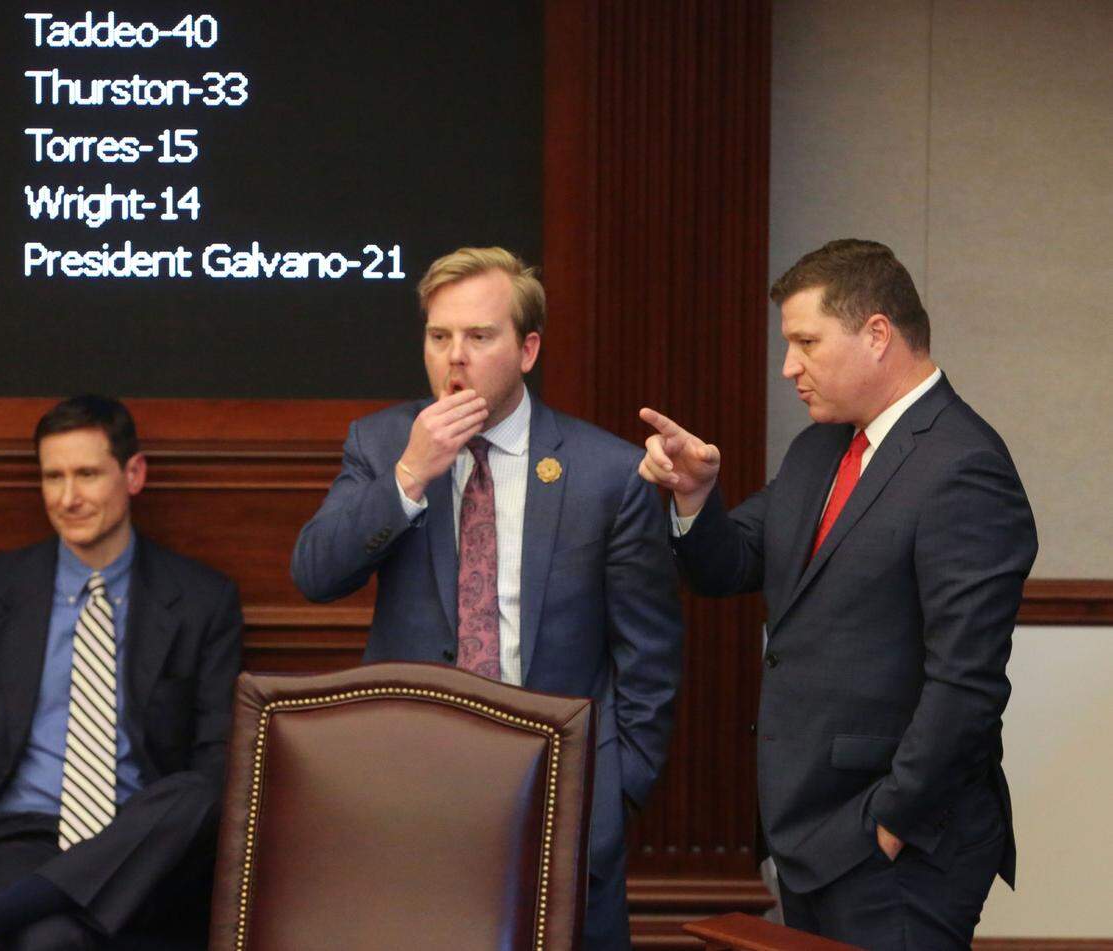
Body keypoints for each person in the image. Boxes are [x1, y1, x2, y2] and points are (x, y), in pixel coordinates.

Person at [638, 239, 1037, 948]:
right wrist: (695, 497)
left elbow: (966, 681)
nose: (790, 365)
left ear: (876, 334)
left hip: (897, 847)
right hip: (811, 832)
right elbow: (731, 564)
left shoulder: (965, 465)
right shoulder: (821, 447)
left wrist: (889, 825)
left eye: (805, 342)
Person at [293, 246, 682, 949]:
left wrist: (617, 792)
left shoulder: (608, 473)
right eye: (439, 336)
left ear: (527, 348)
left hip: (552, 789)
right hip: (408, 794)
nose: (455, 357)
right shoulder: (384, 444)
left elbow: (649, 655)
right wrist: (411, 476)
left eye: (480, 336)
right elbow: (316, 573)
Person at [0, 395, 243, 950]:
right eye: (53, 477)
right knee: (51, 939)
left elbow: (217, 760)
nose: (68, 498)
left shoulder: (201, 600)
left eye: (88, 474)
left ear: (133, 473)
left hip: (144, 838)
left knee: (195, 792)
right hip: (23, 831)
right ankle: (25, 904)